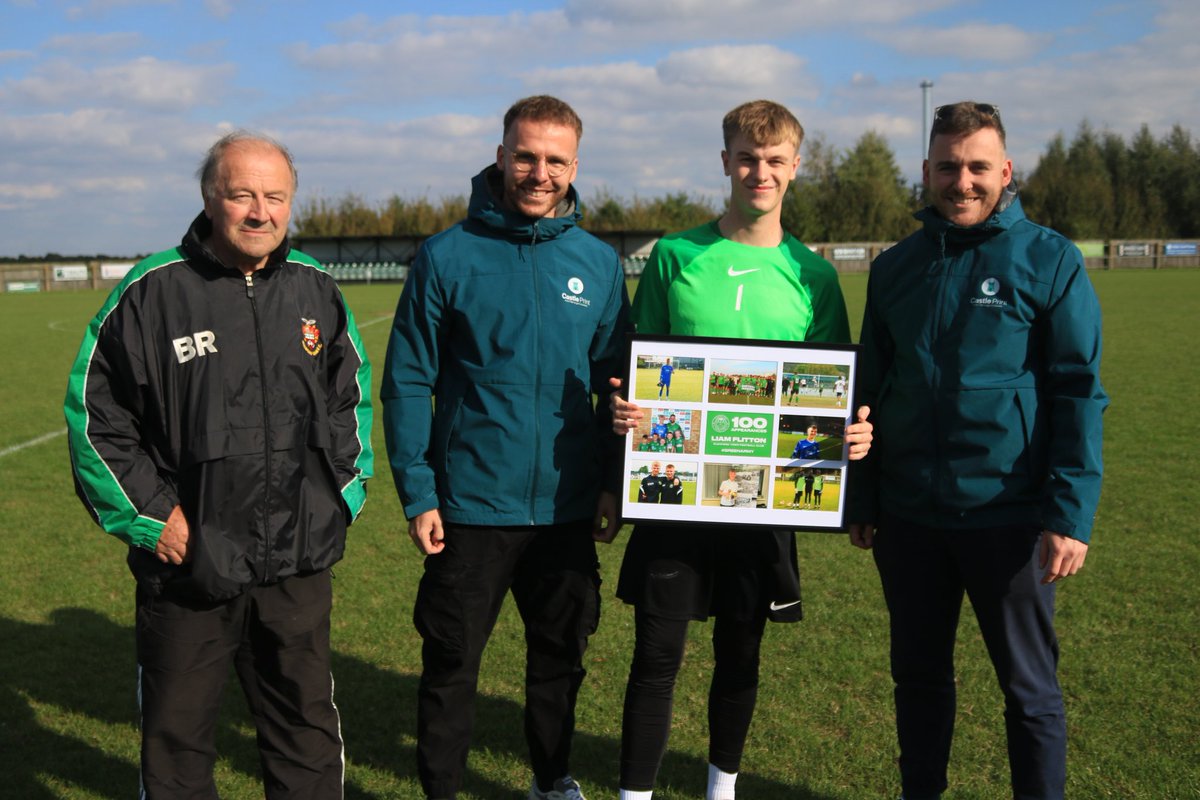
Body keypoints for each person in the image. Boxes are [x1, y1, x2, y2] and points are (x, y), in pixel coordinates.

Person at [64, 131, 374, 799]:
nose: (259, 211)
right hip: (188, 565)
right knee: (177, 748)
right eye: (241, 195)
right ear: (210, 199)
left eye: (275, 196)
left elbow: (353, 402)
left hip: (296, 560)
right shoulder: (152, 292)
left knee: (306, 737)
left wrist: (336, 499)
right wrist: (152, 517)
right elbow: (95, 417)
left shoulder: (317, 292)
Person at [604, 100, 873, 800]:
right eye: (748, 159)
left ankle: (721, 789)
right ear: (726, 162)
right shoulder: (675, 255)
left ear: (795, 167)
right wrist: (627, 408)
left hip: (765, 494)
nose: (761, 172)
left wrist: (848, 432)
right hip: (676, 484)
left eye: (775, 160)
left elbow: (825, 393)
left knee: (741, 652)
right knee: (657, 653)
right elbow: (640, 361)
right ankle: (635, 795)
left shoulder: (812, 275)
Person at [847, 101, 1108, 800]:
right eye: (947, 167)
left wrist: (1069, 513)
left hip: (1010, 516)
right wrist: (864, 498)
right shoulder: (896, 266)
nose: (962, 182)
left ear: (1006, 171)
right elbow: (871, 384)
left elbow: (1078, 391)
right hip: (910, 518)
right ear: (926, 171)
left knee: (1029, 692)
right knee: (920, 681)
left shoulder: (1048, 259)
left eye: (977, 167)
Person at [381, 95, 629, 800]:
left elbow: (621, 389)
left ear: (575, 166)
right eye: (525, 155)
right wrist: (420, 492)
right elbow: (407, 382)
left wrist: (611, 484)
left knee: (560, 657)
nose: (538, 172)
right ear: (500, 156)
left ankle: (553, 782)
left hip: (567, 506)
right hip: (471, 505)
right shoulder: (446, 256)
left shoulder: (598, 264)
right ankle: (442, 791)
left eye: (555, 160)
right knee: (452, 661)